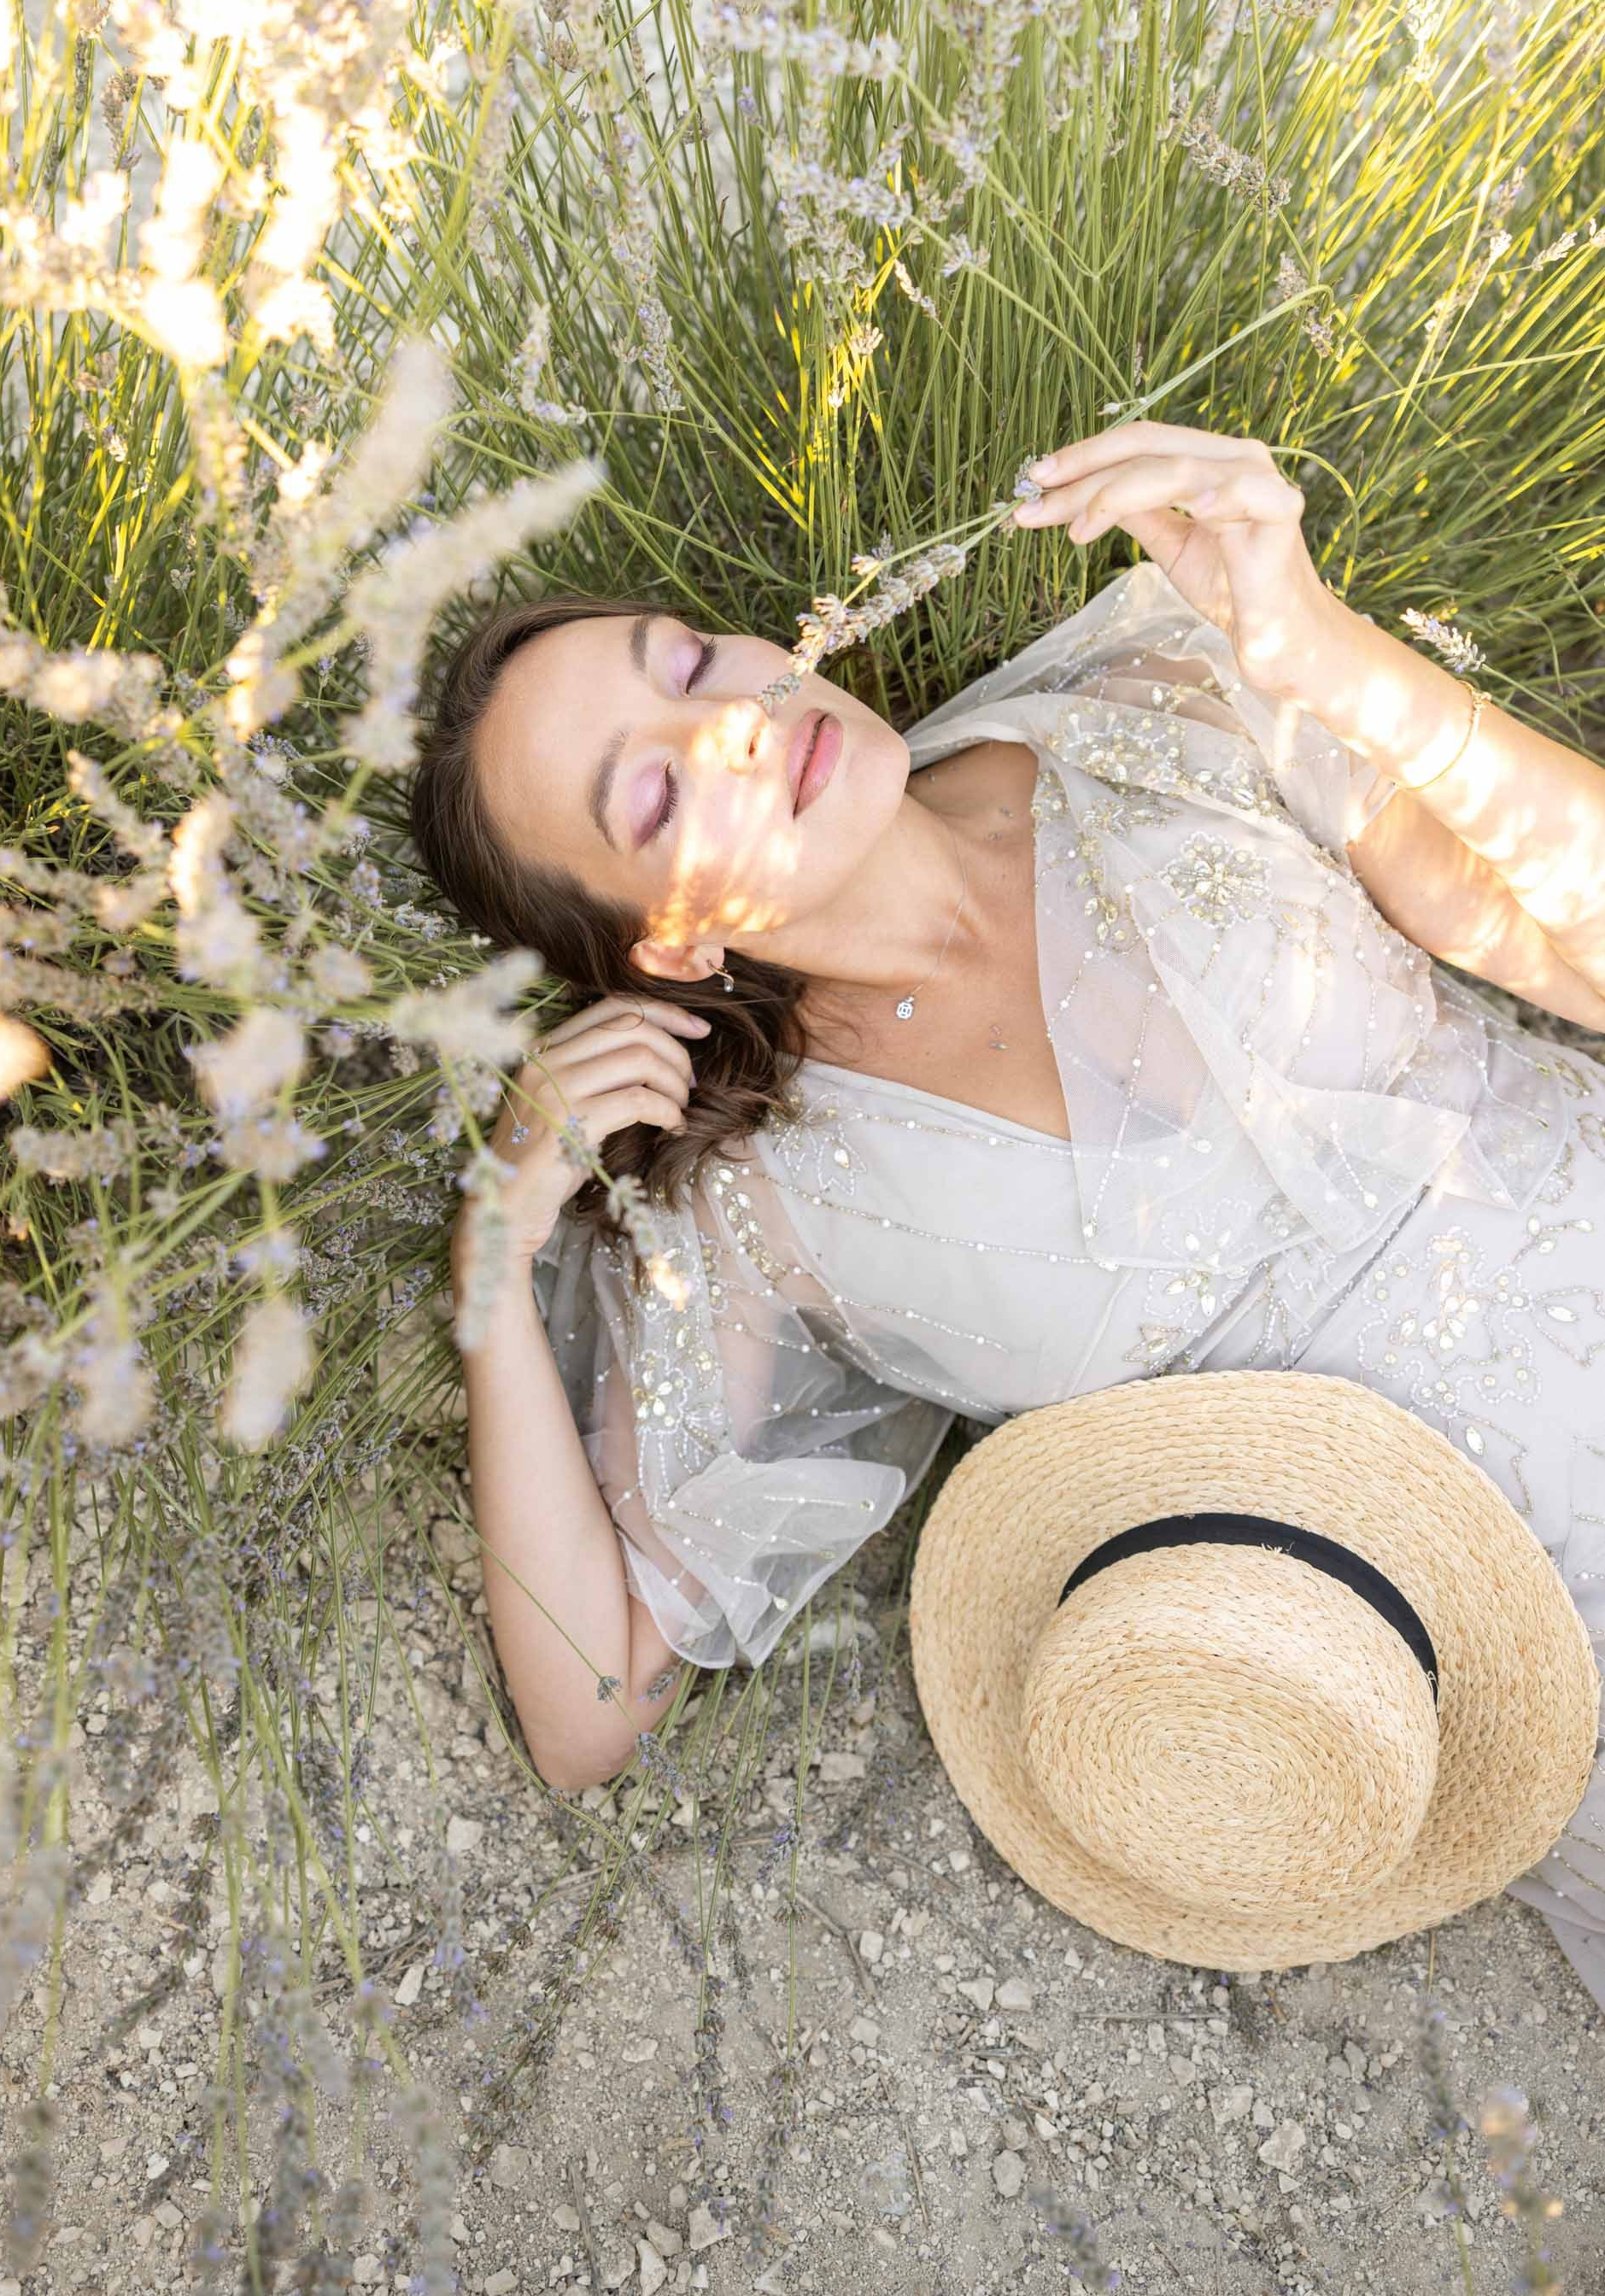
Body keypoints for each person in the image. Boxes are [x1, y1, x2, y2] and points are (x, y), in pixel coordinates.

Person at [409, 420, 1605, 2004]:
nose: (739, 726)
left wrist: (1321, 652)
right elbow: (588, 1707)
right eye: (652, 793)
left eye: (690, 661)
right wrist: (494, 1262)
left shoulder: (1158, 694)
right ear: (669, 951)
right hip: (1506, 1632)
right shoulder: (762, 1206)